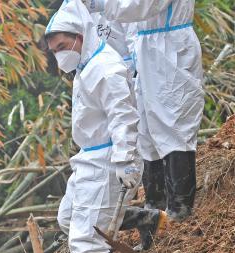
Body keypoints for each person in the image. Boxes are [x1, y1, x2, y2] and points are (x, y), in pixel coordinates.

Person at [44, 0, 168, 253]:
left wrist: (126, 161)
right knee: (68, 218)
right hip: (88, 157)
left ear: (80, 35)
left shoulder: (105, 68)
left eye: (62, 46)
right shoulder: (85, 66)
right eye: (54, 50)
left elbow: (124, 118)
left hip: (109, 158)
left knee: (86, 236)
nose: (60, 55)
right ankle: (144, 218)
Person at [83, 0, 203, 219]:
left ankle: (180, 208)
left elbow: (141, 6)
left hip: (170, 48)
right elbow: (128, 27)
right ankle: (155, 207)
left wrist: (96, 3)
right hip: (147, 48)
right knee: (146, 131)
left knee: (173, 126)